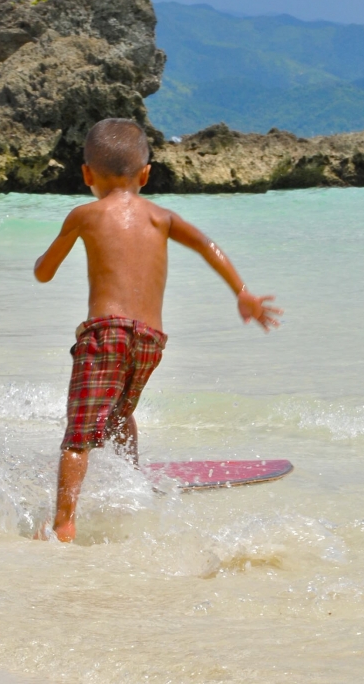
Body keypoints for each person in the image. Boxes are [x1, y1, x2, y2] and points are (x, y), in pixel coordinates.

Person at [34, 118, 282, 542]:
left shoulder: (85, 214)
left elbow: (44, 273)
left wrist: (50, 253)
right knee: (120, 414)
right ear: (146, 174)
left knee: (78, 436)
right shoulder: (162, 217)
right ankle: (131, 478)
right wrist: (243, 292)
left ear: (86, 174)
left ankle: (63, 523)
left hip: (104, 332)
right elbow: (207, 244)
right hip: (150, 339)